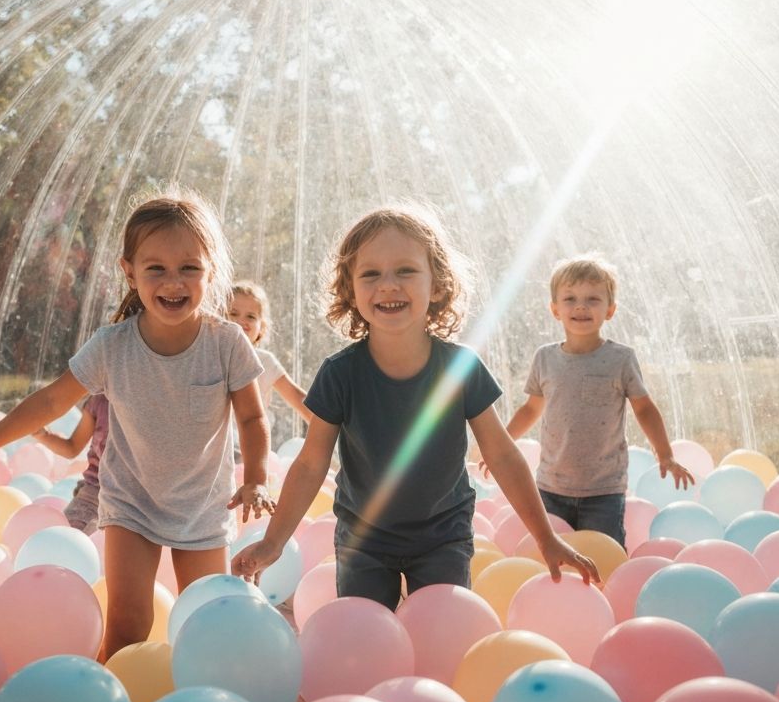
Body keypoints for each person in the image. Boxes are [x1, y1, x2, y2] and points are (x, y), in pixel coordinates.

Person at [0, 192, 274, 661]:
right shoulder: (113, 347)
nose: (173, 282)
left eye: (189, 268)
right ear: (129, 272)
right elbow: (53, 399)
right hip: (132, 502)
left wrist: (256, 476)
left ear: (211, 271)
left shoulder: (227, 342)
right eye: (155, 268)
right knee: (128, 624)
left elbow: (253, 418)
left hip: (201, 506)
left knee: (207, 623)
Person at [232, 202, 598, 610]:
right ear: (350, 290)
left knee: (442, 634)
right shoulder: (340, 374)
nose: (388, 285)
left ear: (437, 284)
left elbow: (503, 454)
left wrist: (546, 538)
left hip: (443, 535)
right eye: (370, 274)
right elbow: (310, 463)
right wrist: (274, 541)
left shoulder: (460, 369)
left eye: (405, 270)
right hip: (363, 539)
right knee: (367, 640)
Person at [480, 253, 694, 548]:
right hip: (550, 487)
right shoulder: (545, 358)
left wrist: (665, 454)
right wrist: (499, 449)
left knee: (603, 558)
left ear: (610, 310)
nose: (580, 305)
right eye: (570, 299)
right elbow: (531, 409)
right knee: (552, 557)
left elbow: (644, 408)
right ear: (555, 309)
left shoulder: (620, 358)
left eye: (593, 299)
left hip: (603, 491)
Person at [227, 281, 312, 430]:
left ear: (262, 327)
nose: (241, 321)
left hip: (252, 444)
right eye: (233, 314)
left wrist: (326, 430)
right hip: (220, 446)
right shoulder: (212, 357)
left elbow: (298, 399)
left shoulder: (265, 361)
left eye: (251, 317)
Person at [32, 392, 110, 533]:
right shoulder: (100, 401)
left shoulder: (151, 404)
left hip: (132, 500)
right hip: (93, 492)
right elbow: (72, 447)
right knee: (65, 540)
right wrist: (42, 435)